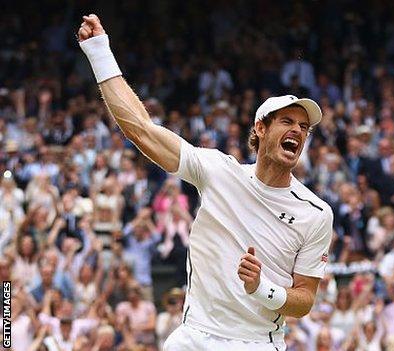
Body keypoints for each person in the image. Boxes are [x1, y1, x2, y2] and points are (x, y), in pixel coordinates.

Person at [77, 14, 333, 351]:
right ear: (260, 128)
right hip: (192, 336)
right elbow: (141, 129)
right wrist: (99, 51)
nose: (298, 131)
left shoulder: (316, 213)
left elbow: (304, 300)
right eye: (288, 121)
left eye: (304, 128)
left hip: (255, 343)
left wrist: (261, 288)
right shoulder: (216, 170)